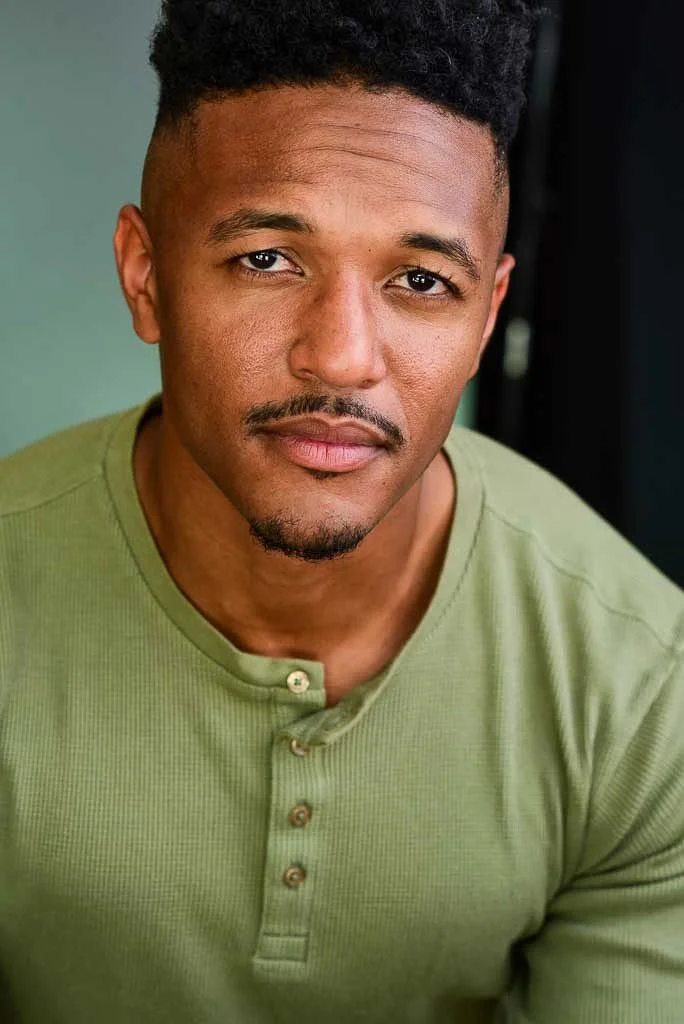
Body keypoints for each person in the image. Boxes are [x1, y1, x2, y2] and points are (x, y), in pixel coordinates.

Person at [1, 0, 683, 1020]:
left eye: (419, 279)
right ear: (146, 276)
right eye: (268, 259)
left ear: (488, 312)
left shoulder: (639, 695)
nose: (343, 355)